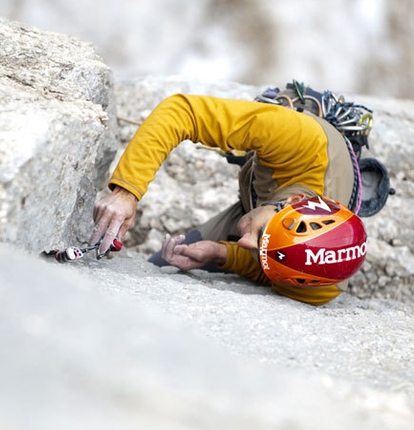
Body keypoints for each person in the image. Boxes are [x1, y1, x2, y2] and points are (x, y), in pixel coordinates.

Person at [90, 88, 368, 306]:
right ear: (294, 203)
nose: (242, 239)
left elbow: (274, 269)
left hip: (264, 204)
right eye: (261, 235)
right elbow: (181, 111)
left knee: (169, 264)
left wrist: (223, 254)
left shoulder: (320, 285)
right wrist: (127, 192)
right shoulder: (298, 141)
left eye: (259, 247)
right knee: (159, 266)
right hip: (269, 185)